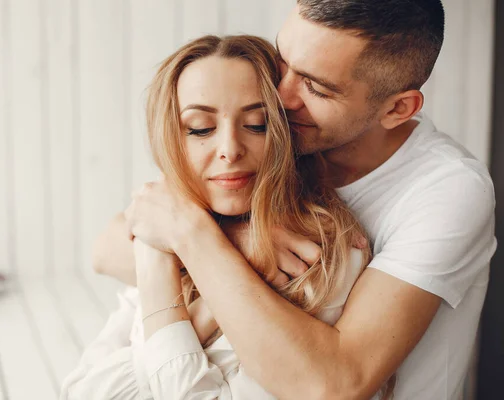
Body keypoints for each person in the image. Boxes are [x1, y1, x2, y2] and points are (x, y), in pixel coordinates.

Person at [99, 1, 497, 399]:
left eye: (316, 87)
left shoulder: (449, 190)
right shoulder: (280, 136)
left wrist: (195, 237)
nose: (281, 95)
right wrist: (240, 239)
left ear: (396, 108)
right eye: (283, 61)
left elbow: (335, 384)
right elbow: (112, 246)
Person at [61, 35, 375, 399]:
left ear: (285, 133)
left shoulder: (316, 257)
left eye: (257, 124)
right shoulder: (177, 222)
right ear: (171, 138)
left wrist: (162, 244)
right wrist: (191, 250)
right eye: (200, 128)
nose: (229, 149)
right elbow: (80, 389)